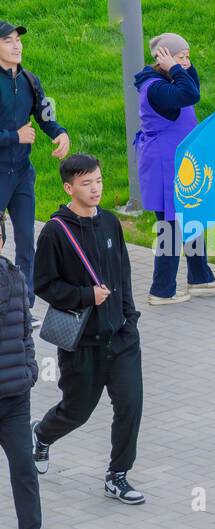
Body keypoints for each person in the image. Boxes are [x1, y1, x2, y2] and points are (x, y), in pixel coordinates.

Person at [32, 155, 145, 506]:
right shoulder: (55, 232)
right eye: (86, 183)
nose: (95, 188)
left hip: (122, 338)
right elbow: (44, 284)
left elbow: (123, 275)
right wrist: (86, 296)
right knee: (77, 410)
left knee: (130, 405)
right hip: (83, 344)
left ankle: (118, 475)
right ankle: (42, 434)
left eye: (98, 180)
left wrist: (130, 320)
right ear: (69, 187)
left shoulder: (110, 223)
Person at [132, 32, 215, 305]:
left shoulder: (167, 77)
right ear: (164, 57)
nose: (186, 61)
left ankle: (200, 278)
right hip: (164, 163)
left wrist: (181, 65)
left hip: (178, 161)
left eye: (187, 56)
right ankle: (161, 291)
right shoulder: (156, 87)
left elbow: (191, 85)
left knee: (190, 215)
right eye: (181, 56)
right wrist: (175, 67)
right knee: (171, 225)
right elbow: (190, 94)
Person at [0, 219, 61, 529]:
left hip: (15, 397)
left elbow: (26, 331)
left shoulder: (16, 279)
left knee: (24, 467)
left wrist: (29, 368)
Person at [0, 20, 69, 315]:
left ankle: (23, 308)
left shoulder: (30, 79)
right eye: (8, 41)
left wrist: (59, 132)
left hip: (22, 174)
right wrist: (14, 136)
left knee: (27, 241)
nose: (17, 45)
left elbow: (43, 115)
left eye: (18, 40)